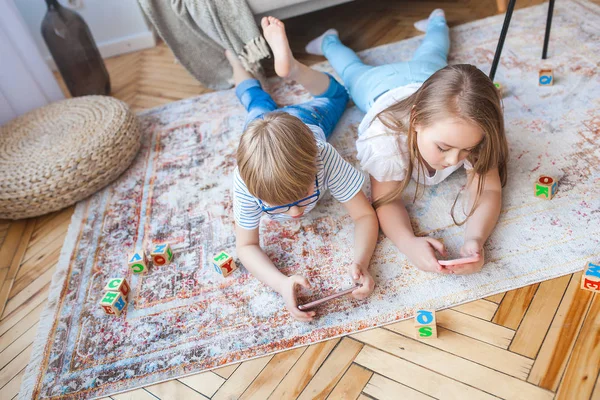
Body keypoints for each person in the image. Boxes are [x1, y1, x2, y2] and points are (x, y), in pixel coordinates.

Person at [306, 9, 508, 275]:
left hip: (426, 75)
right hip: (378, 87)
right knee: (352, 71)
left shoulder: (473, 127)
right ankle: (329, 42)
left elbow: (488, 190)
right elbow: (386, 200)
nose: (453, 160)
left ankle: (437, 22)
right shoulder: (385, 143)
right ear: (417, 122)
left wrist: (476, 239)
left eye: (467, 150)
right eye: (444, 148)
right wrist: (408, 243)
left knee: (434, 51)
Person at [231, 17, 379, 322]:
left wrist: (362, 262)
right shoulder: (245, 182)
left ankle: (292, 67)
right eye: (283, 205)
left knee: (339, 95)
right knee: (252, 99)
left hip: (302, 121)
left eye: (302, 197)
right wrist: (281, 283)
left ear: (314, 162)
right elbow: (245, 246)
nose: (297, 213)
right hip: (258, 128)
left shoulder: (321, 154)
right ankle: (234, 59)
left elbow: (365, 214)